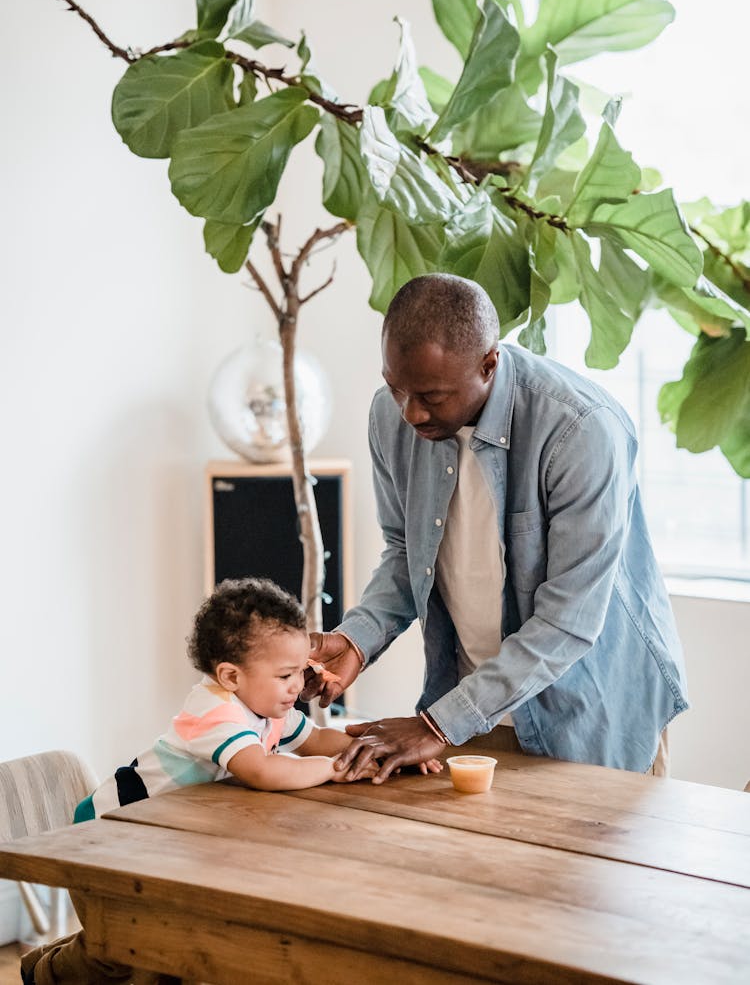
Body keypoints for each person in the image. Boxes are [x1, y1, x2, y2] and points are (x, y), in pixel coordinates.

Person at [303, 274, 689, 783]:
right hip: (468, 710)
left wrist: (438, 724)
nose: (411, 412)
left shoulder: (580, 428)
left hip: (593, 713)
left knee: (588, 864)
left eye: (432, 396)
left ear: (489, 362)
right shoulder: (390, 415)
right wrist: (357, 640)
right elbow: (405, 551)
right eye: (397, 388)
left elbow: (567, 621)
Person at [22, 576, 437, 985]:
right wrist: (339, 769)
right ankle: (43, 974)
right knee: (126, 950)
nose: (300, 685)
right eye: (286, 674)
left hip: (162, 842)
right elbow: (263, 771)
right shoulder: (215, 712)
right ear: (231, 677)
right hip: (109, 836)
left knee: (159, 946)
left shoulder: (267, 706)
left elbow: (316, 739)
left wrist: (379, 750)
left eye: (301, 670)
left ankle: (52, 956)